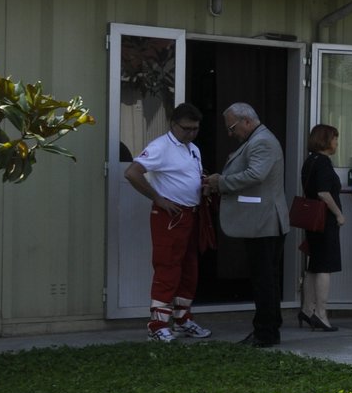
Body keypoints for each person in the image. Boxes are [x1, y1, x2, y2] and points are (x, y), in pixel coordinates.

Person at [123, 102, 214, 342]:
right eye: (186, 128)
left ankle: (183, 319)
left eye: (195, 129)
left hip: (191, 214)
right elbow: (132, 172)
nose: (191, 133)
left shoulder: (192, 148)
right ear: (173, 124)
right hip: (171, 216)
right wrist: (158, 198)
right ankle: (157, 324)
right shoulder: (160, 147)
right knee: (168, 267)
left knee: (189, 268)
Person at [205, 102, 289, 346]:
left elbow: (255, 175)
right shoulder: (258, 139)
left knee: (264, 279)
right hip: (262, 221)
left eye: (232, 128)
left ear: (247, 121)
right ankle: (269, 327)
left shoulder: (262, 141)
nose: (231, 134)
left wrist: (220, 182)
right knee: (266, 278)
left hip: (265, 222)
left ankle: (265, 332)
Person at [298, 123, 348, 331]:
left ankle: (307, 309)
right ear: (326, 141)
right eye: (335, 139)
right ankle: (321, 313)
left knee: (313, 266)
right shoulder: (324, 163)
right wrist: (339, 214)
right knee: (324, 267)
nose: (337, 143)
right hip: (325, 220)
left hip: (312, 221)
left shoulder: (310, 161)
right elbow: (323, 192)